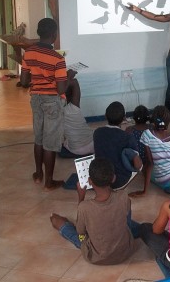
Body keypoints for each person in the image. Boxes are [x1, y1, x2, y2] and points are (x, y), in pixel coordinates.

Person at [20, 18, 76, 191]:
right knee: (50, 142)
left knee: (39, 138)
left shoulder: (28, 53)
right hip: (52, 101)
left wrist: (37, 76)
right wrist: (69, 77)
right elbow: (61, 89)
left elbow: (23, 81)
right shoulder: (58, 59)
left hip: (36, 98)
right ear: (54, 35)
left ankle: (38, 174)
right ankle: (49, 182)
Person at [50, 157, 136, 265]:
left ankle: (59, 222)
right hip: (125, 251)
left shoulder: (85, 207)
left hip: (97, 257)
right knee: (122, 213)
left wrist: (81, 197)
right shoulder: (123, 195)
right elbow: (127, 213)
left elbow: (80, 232)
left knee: (55, 220)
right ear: (113, 178)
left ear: (90, 181)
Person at [93, 101, 142, 190]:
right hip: (119, 182)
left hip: (100, 179)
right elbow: (137, 165)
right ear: (124, 118)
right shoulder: (127, 137)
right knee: (139, 164)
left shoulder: (97, 132)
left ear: (105, 115)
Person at [59, 78, 94, 158]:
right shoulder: (74, 108)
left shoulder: (56, 111)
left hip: (75, 150)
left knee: (61, 146)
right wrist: (68, 75)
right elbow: (74, 81)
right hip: (92, 146)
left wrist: (59, 85)